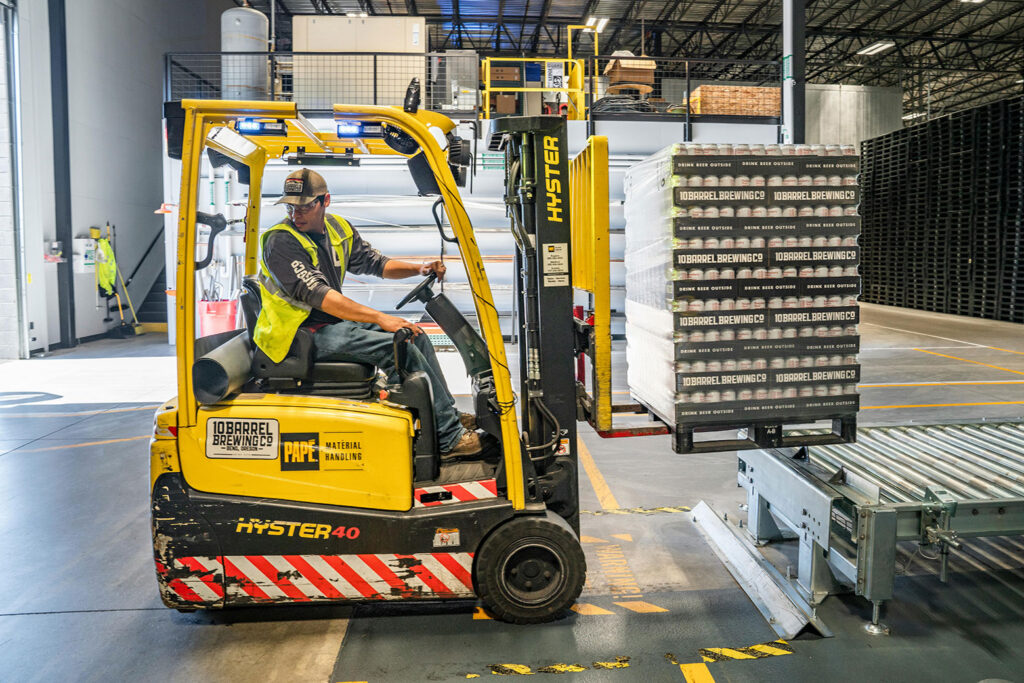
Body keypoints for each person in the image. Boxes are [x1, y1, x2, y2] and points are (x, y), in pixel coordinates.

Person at [253, 168, 482, 459]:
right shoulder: (281, 242)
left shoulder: (337, 229)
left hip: (326, 324)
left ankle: (444, 416)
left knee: (415, 336)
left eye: (305, 206)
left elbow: (377, 264)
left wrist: (418, 268)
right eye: (291, 206)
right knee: (397, 348)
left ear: (326, 201)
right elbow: (321, 296)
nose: (296, 214)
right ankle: (449, 439)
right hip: (297, 336)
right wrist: (379, 318)